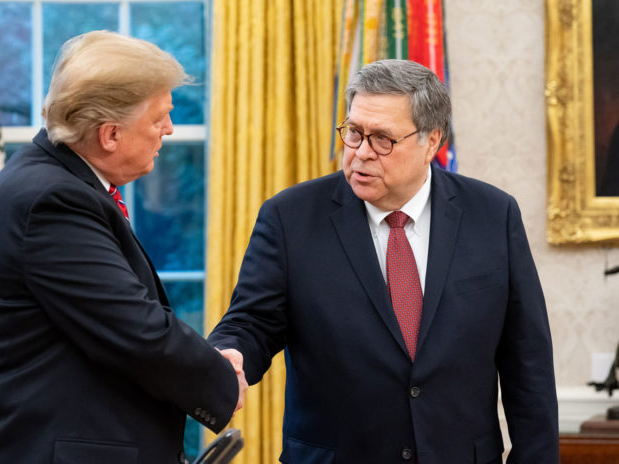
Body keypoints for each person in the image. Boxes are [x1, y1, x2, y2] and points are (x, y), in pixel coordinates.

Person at [209, 59, 558, 463]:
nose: (360, 154)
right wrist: (230, 353)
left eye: (382, 140)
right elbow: (251, 322)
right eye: (354, 133)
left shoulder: (493, 215)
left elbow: (527, 359)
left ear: (432, 141)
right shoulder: (290, 217)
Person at [0, 30, 247, 464]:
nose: (169, 130)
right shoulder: (51, 200)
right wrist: (220, 378)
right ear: (110, 134)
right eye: (158, 119)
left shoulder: (54, 182)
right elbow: (134, 329)